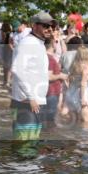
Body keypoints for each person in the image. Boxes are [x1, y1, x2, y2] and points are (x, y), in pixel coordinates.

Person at [10, 12, 52, 142]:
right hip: (26, 101)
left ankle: (30, 162)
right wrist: (31, 97)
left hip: (35, 101)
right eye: (45, 25)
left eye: (52, 26)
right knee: (24, 142)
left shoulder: (39, 43)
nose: (50, 29)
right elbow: (17, 69)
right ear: (34, 26)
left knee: (31, 141)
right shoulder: (27, 43)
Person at [43, 38, 66, 130]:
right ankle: (46, 141)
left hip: (49, 92)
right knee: (49, 120)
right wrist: (61, 76)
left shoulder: (46, 57)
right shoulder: (49, 59)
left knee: (46, 119)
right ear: (53, 44)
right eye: (57, 42)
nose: (58, 44)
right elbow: (48, 77)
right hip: (51, 92)